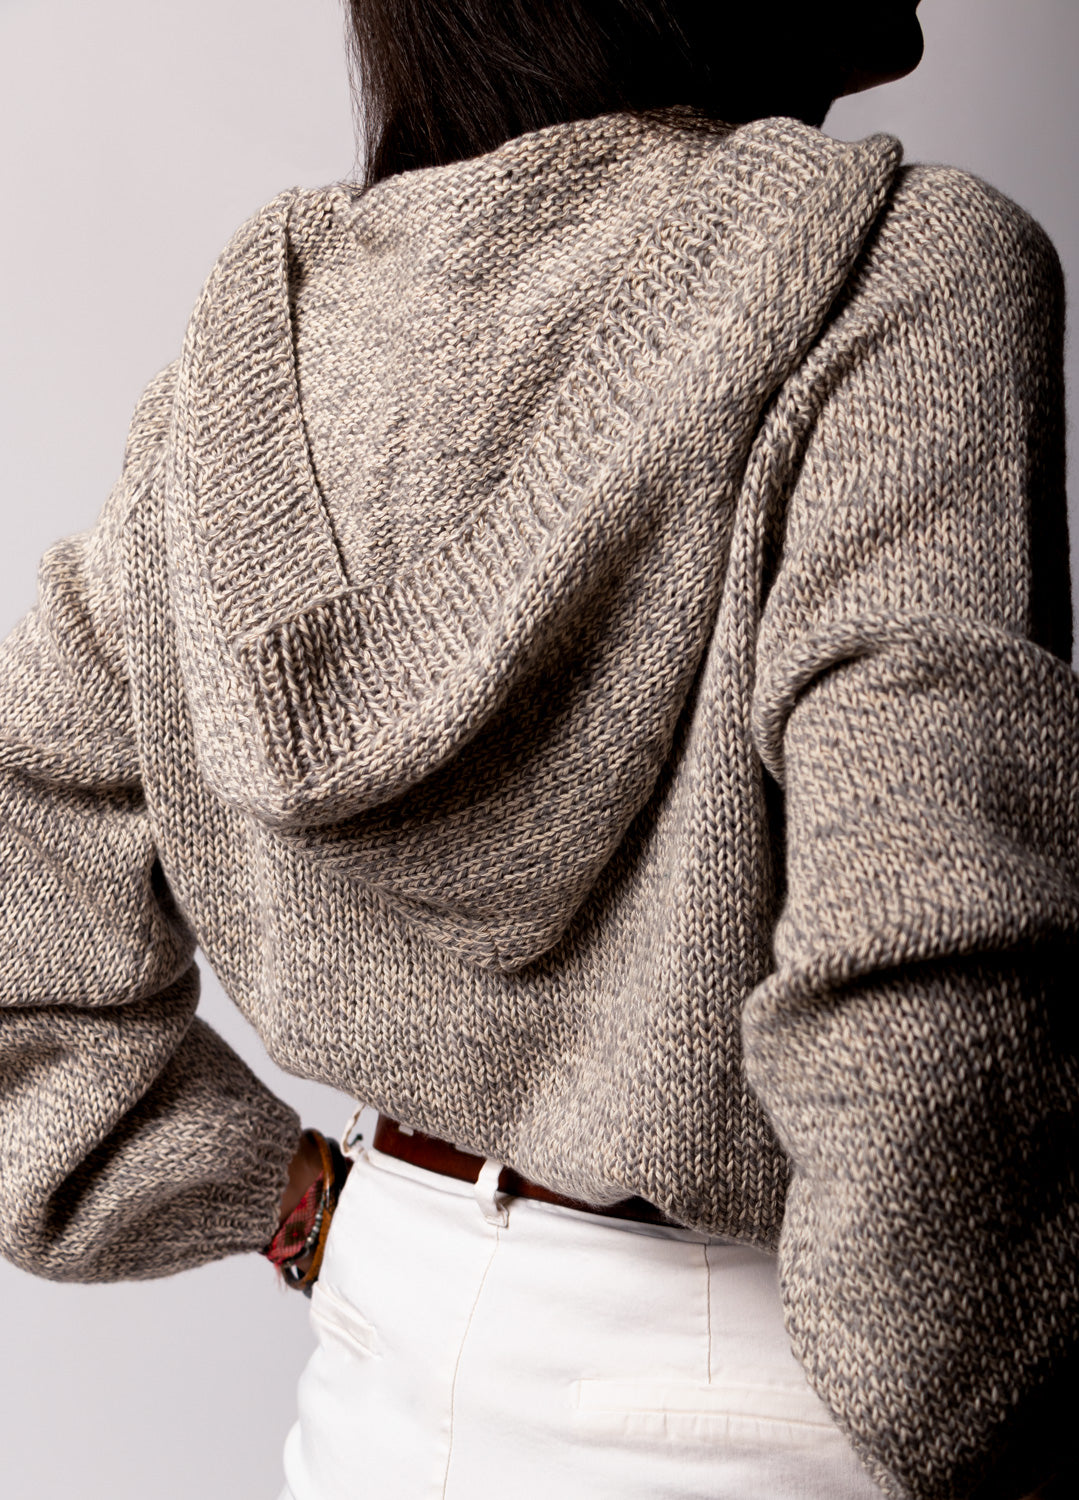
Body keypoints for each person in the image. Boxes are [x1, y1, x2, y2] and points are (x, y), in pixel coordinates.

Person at [0, 2, 1075, 1497]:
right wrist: (1006, 1416)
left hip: (384, 1390)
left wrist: (302, 1211)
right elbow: (927, 970)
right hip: (779, 1397)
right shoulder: (901, 274)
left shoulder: (268, 347)